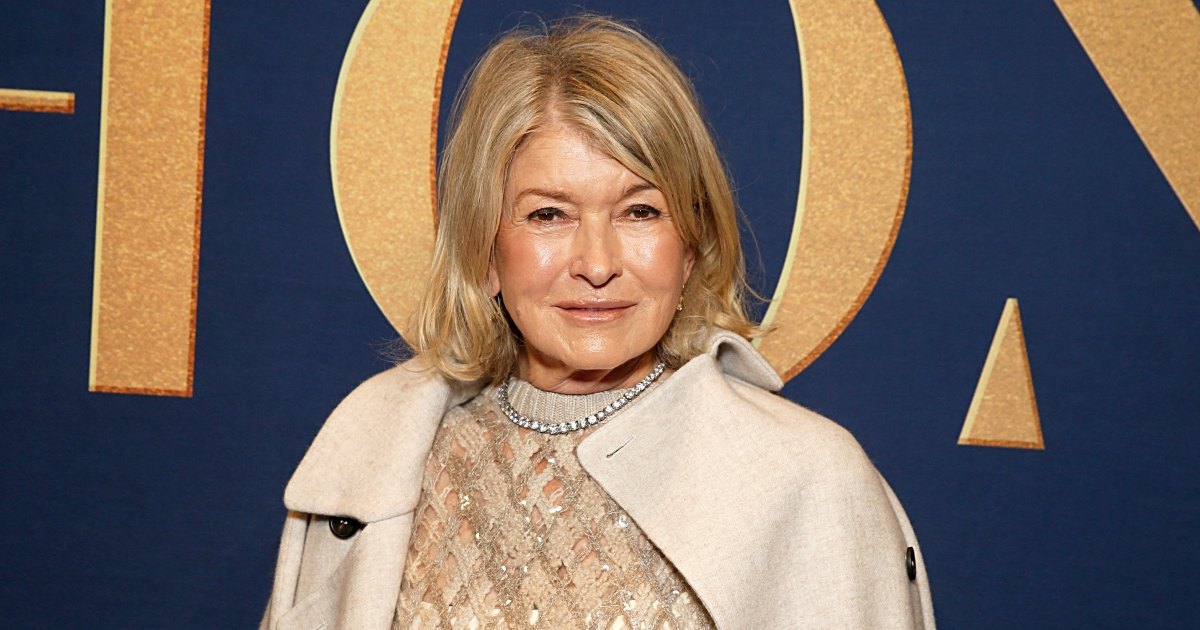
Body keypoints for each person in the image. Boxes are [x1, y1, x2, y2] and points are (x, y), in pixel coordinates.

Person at [261, 15, 934, 630]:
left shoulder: (803, 479)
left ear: (690, 246)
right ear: (485, 252)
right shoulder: (377, 457)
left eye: (640, 212)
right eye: (548, 215)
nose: (597, 263)